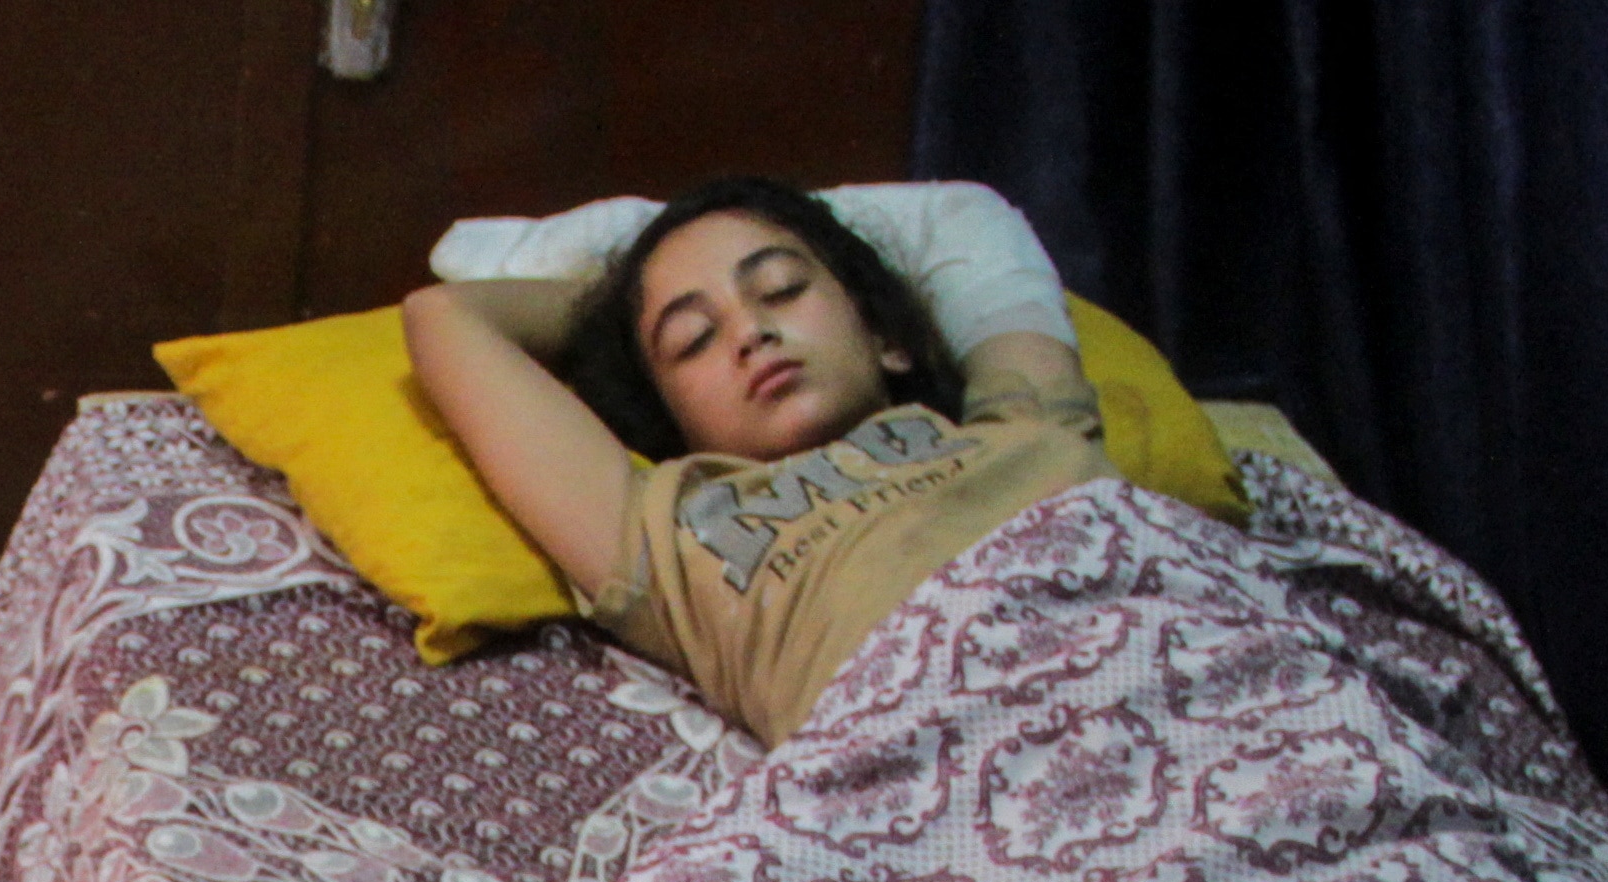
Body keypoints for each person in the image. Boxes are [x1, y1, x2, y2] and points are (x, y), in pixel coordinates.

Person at [399, 175, 1111, 743]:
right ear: (673, 419)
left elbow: (964, 214)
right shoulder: (676, 537)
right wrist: (622, 292)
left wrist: (713, 225)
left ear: (888, 335)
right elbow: (445, 316)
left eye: (782, 289)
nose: (751, 331)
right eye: (693, 338)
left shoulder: (1023, 422)